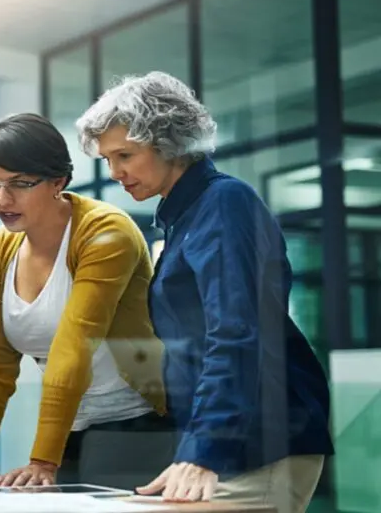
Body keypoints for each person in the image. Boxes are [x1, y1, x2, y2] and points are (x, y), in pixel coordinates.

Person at [76, 71, 334, 510]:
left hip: (259, 440)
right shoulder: (184, 218)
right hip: (224, 440)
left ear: (169, 141)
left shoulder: (225, 204)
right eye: (107, 159)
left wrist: (204, 449)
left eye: (125, 155)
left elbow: (236, 331)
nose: (115, 172)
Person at [0, 113, 171, 490]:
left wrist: (42, 459)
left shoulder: (106, 232)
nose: (1, 198)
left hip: (139, 426)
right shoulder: (3, 244)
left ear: (58, 181)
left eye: (19, 184)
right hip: (73, 427)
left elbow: (74, 344)